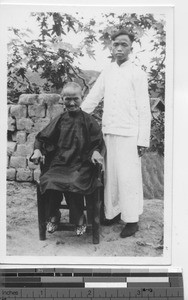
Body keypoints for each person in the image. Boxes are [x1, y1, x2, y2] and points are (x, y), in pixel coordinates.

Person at [81, 29, 151, 238]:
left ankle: (131, 220)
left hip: (130, 134)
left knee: (128, 178)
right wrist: (77, 117)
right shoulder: (108, 71)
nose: (119, 48)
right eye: (116, 45)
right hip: (109, 131)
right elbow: (93, 98)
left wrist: (142, 140)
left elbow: (144, 108)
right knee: (110, 175)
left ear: (131, 47)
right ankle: (112, 212)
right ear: (111, 47)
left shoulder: (137, 73)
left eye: (124, 45)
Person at [31, 82, 104, 236]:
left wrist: (97, 153)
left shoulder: (89, 120)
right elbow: (43, 138)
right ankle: (54, 215)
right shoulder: (60, 119)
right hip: (60, 164)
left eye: (75, 99)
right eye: (67, 99)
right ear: (62, 99)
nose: (71, 103)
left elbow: (98, 143)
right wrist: (37, 150)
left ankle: (79, 219)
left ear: (82, 98)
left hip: (81, 166)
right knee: (50, 180)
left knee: (73, 182)